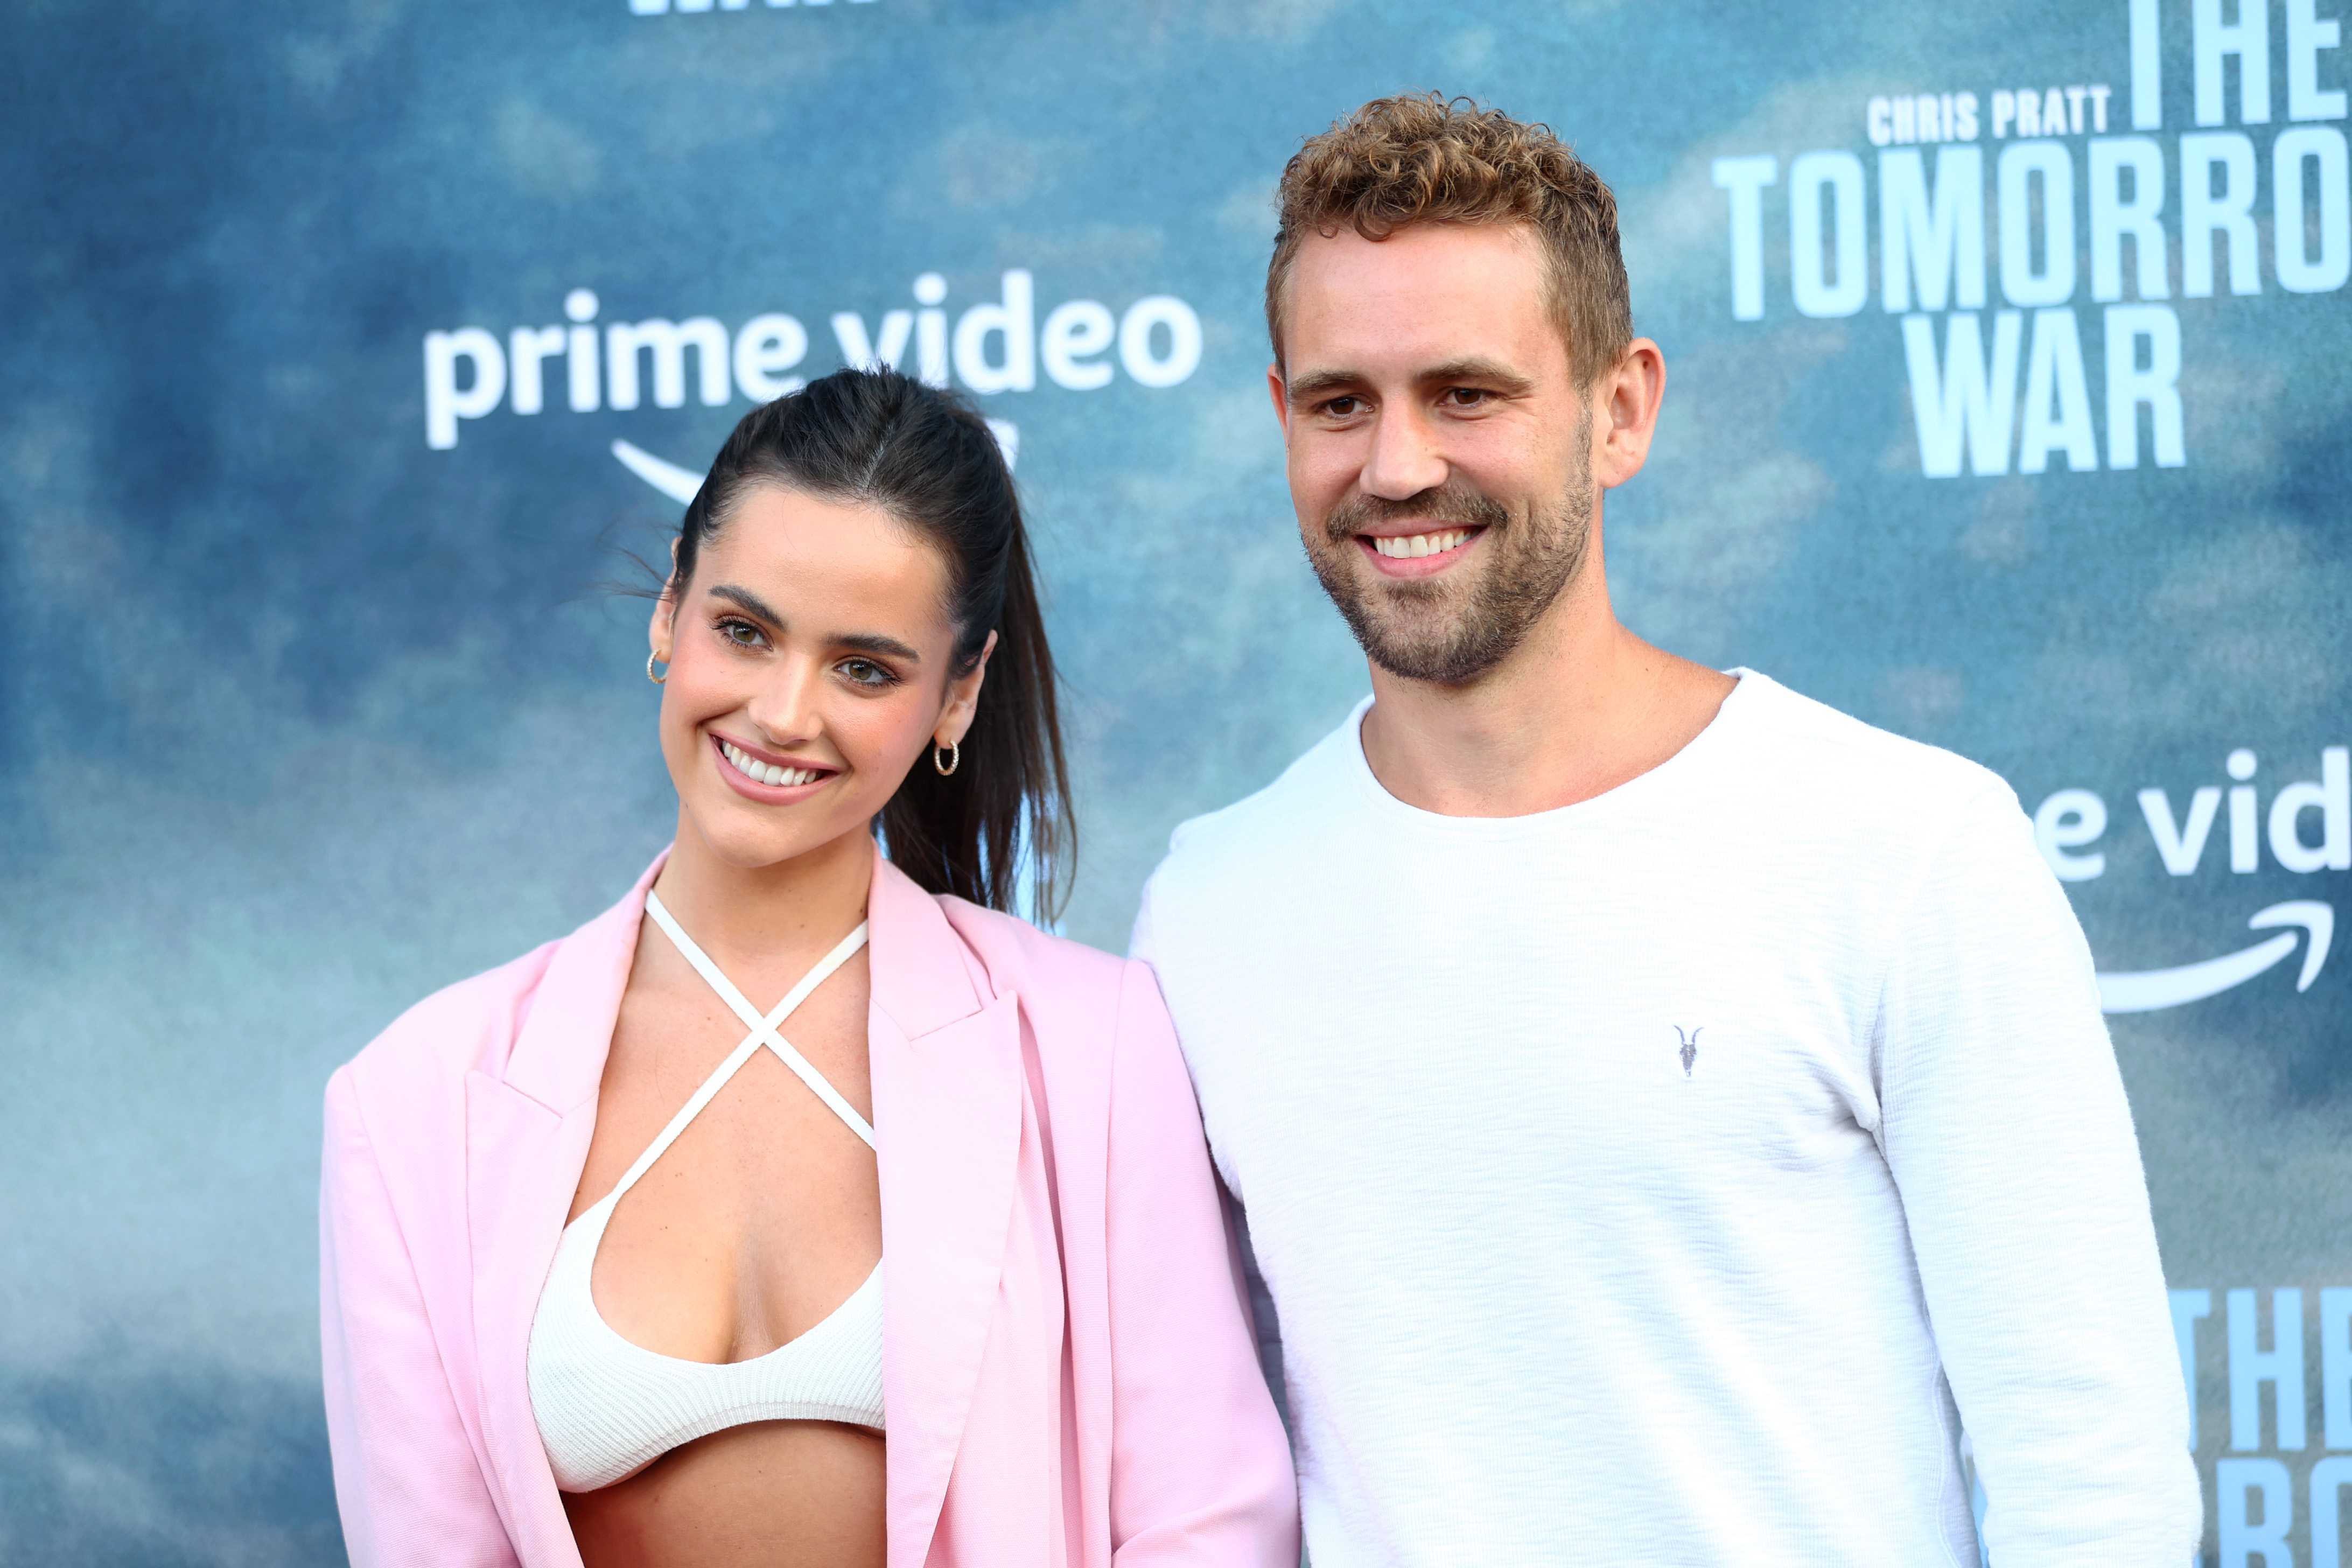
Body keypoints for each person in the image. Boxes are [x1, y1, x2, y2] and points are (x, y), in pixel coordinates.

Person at [1129, 94, 2201, 1566]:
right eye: (1340, 402)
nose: (1394, 466)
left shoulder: (1903, 848)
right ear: (1282, 421)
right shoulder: (1209, 912)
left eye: (1467, 393)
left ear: (1621, 409)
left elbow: (2094, 1473)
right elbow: (1212, 1484)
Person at [320, 368, 1298, 1568]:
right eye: (743, 630)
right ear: (668, 610)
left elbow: (1206, 1524)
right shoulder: (416, 1096)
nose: (784, 713)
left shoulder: (1094, 1045)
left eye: (865, 668)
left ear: (960, 693)